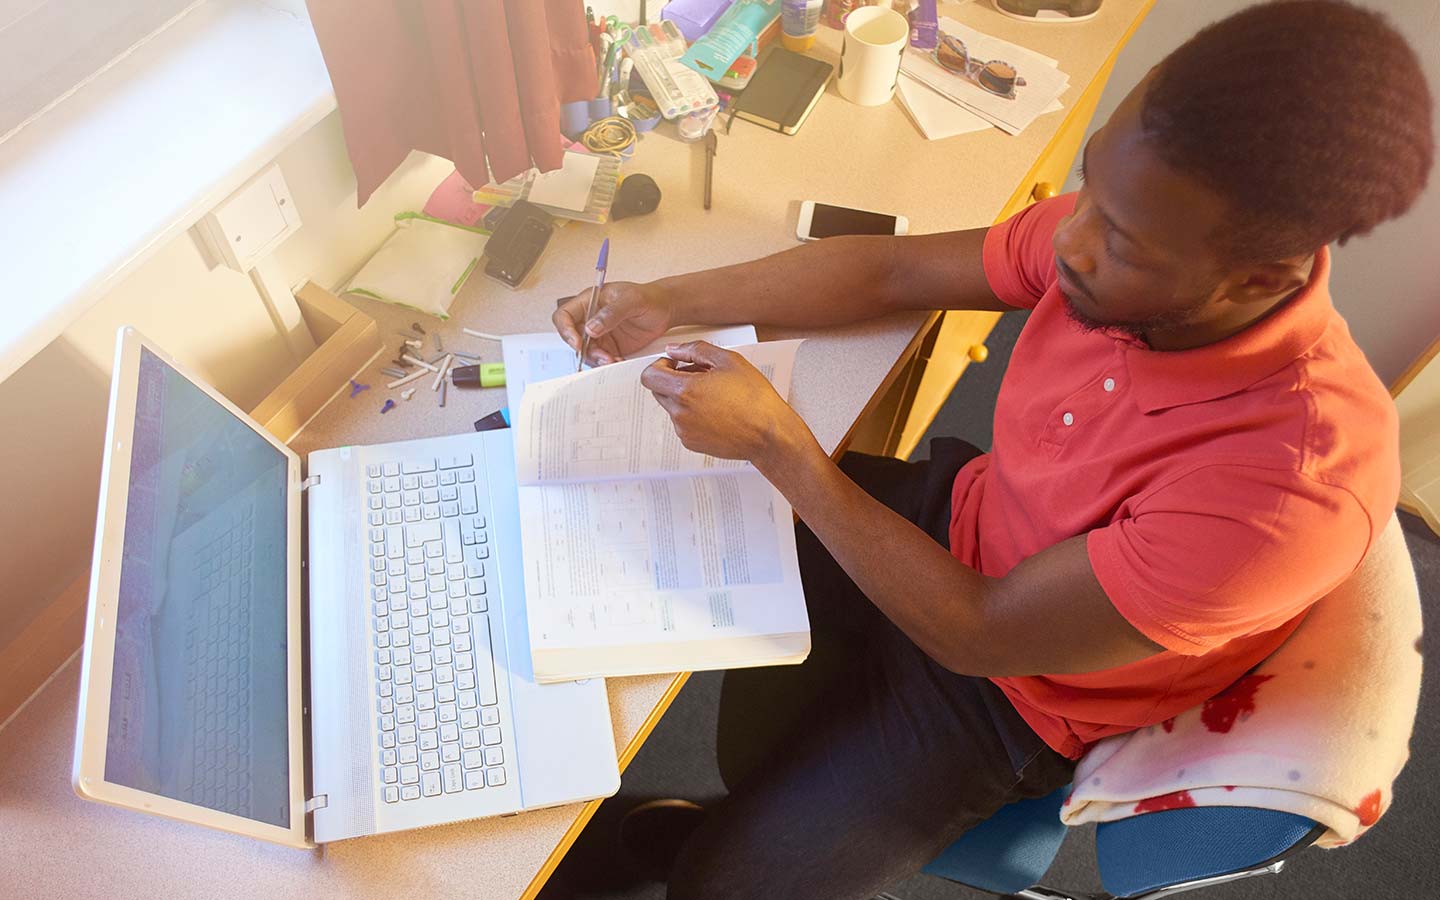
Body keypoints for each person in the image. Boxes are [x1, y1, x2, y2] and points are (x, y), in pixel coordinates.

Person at [551, 2, 1433, 897]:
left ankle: (727, 847)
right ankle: (740, 816)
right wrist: (670, 297)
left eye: (1119, 239)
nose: (1070, 242)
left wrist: (779, 442)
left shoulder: (1283, 494)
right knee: (622, 521)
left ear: (1259, 280)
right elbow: (892, 271)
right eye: (1093, 191)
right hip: (960, 521)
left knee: (732, 889)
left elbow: (981, 634)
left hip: (1014, 691)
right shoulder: (1140, 234)